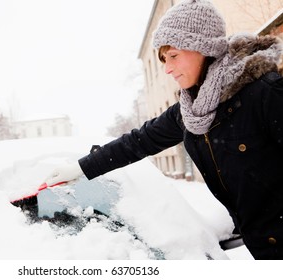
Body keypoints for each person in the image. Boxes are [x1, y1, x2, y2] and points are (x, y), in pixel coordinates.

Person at [44, 0, 283, 260]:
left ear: (203, 48)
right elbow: (136, 142)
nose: (167, 69)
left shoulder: (265, 94)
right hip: (262, 250)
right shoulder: (190, 112)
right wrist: (80, 169)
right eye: (163, 60)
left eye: (174, 56)